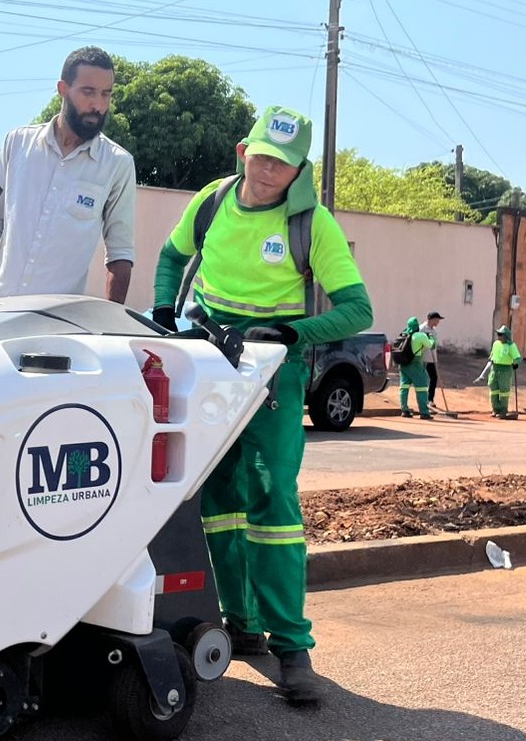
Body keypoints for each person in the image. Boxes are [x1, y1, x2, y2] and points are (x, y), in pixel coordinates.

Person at [152, 105, 373, 706]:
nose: (270, 168)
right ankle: (238, 621)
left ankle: (291, 645)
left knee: (273, 499)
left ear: (300, 167)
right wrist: (165, 310)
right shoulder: (212, 202)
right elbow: (172, 256)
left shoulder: (312, 223)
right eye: (262, 154)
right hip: (211, 363)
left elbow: (358, 310)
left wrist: (293, 333)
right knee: (216, 497)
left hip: (274, 372)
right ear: (242, 151)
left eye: (284, 160)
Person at [0, 46, 137, 304]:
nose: (98, 105)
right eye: (88, 92)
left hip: (55, 325)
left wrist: (112, 324)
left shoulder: (117, 164)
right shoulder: (18, 144)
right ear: (63, 89)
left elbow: (120, 253)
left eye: (106, 94)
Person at [475, 325, 521, 418]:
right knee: (493, 388)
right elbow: (492, 356)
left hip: (505, 369)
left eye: (501, 335)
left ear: (506, 336)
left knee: (504, 390)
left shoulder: (511, 346)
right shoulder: (496, 344)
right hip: (495, 368)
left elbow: (518, 358)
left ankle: (503, 410)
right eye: (498, 334)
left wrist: (515, 363)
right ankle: (495, 409)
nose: (499, 336)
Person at [397, 317, 435, 420]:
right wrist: (431, 337)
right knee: (422, 387)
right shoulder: (420, 336)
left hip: (403, 364)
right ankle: (424, 412)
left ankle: (404, 410)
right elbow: (431, 345)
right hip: (415, 364)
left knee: (404, 387)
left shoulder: (404, 334)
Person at [423, 311, 444, 403]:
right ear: (432, 320)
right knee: (422, 379)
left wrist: (436, 360)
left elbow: (434, 347)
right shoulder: (422, 329)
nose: (438, 322)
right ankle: (422, 399)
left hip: (431, 359)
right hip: (422, 359)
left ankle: (430, 399)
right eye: (437, 320)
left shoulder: (434, 332)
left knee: (434, 378)